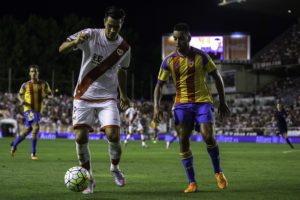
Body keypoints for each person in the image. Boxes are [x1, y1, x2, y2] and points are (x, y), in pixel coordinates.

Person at [59, 6, 130, 194]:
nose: (113, 30)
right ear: (104, 22)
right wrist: (75, 43)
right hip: (83, 94)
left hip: (107, 97)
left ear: (121, 25)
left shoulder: (124, 48)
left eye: (117, 26)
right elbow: (61, 49)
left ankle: (115, 168)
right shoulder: (89, 34)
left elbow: (122, 72)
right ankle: (88, 177)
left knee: (113, 136)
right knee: (80, 137)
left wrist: (123, 94)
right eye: (110, 26)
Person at [153, 23, 230, 193]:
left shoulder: (201, 56)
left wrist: (223, 101)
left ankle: (218, 172)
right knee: (183, 139)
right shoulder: (169, 61)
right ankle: (192, 182)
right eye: (175, 38)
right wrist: (156, 107)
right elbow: (159, 86)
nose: (178, 41)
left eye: (181, 37)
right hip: (181, 104)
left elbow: (217, 77)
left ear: (189, 37)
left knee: (208, 136)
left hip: (202, 102)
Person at [10, 65, 52, 160]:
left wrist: (46, 96)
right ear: (29, 73)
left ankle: (14, 146)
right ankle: (33, 153)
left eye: (35, 71)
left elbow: (51, 95)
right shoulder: (25, 85)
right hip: (28, 110)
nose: (34, 73)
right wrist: (22, 101)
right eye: (32, 71)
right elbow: (19, 95)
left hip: (38, 112)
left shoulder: (44, 84)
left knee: (26, 131)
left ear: (38, 73)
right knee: (36, 127)